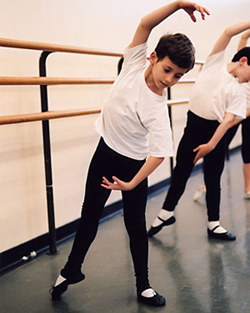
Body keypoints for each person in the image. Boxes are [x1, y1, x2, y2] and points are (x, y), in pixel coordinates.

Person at [50, 1, 209, 307]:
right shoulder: (135, 62)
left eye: (177, 76)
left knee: (135, 226)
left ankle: (144, 286)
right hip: (104, 152)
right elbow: (146, 24)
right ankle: (71, 269)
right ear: (152, 57)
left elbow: (159, 155)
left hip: (133, 164)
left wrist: (131, 183)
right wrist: (177, 4)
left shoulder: (157, 109)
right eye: (167, 69)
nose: (169, 79)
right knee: (90, 215)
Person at [148, 21, 250, 241]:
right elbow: (227, 31)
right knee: (181, 172)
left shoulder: (239, 90)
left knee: (213, 178)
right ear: (243, 61)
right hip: (192, 127)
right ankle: (166, 213)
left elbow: (227, 121)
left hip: (215, 135)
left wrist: (211, 145)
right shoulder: (214, 64)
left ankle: (214, 224)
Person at [193, 30, 250, 202]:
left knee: (248, 151)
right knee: (219, 148)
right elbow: (243, 37)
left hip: (245, 113)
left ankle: (248, 188)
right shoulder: (244, 63)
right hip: (232, 112)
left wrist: (239, 118)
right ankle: (205, 184)